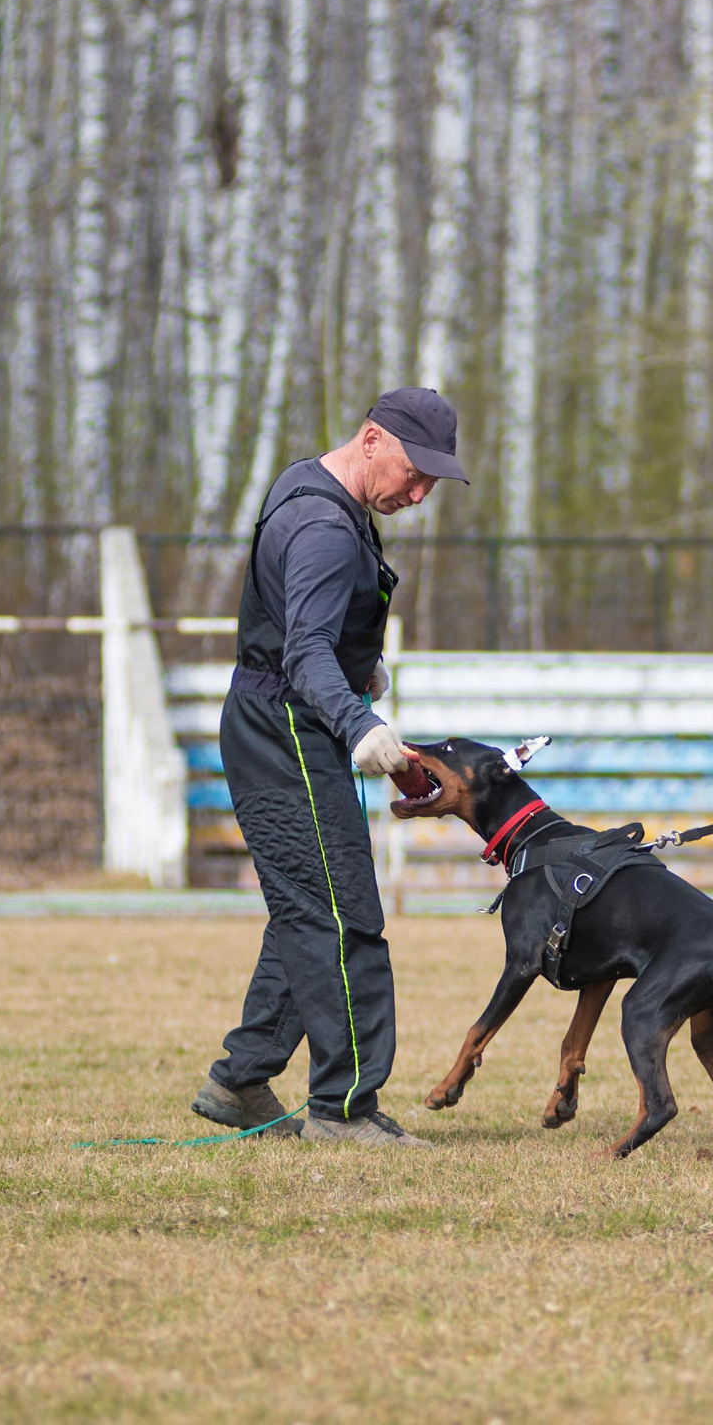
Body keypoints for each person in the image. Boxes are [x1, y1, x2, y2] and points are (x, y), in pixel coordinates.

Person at [189, 388, 465, 1146]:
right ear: (372, 439)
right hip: (290, 729)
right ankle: (344, 1108)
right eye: (413, 473)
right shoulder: (324, 527)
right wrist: (359, 722)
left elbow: (303, 627)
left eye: (432, 482)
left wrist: (360, 666)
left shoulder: (308, 485)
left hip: (272, 719)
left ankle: (240, 1082)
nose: (418, 494)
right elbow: (302, 652)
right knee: (345, 915)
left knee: (306, 906)